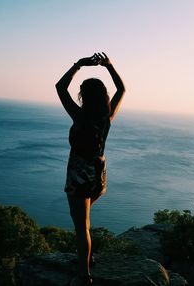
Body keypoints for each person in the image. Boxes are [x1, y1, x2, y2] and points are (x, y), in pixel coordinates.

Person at [55, 52, 125, 286]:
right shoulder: (106, 118)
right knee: (84, 220)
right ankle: (88, 257)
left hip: (80, 176)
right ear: (103, 97)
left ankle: (83, 275)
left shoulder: (79, 116)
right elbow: (122, 90)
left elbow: (60, 87)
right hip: (98, 175)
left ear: (83, 96)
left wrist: (79, 65)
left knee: (80, 226)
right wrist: (109, 66)